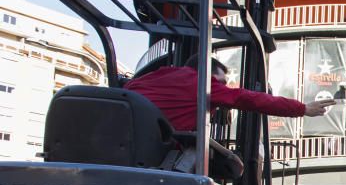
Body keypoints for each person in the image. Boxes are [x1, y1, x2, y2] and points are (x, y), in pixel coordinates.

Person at [125, 55, 334, 132]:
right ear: (206, 72)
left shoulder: (152, 78)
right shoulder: (201, 83)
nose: (221, 89)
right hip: (156, 152)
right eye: (221, 82)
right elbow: (247, 99)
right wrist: (303, 108)